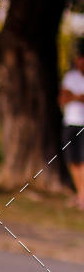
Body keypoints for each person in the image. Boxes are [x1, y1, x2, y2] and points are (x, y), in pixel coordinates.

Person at [59, 42, 84, 209]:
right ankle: (81, 194)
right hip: (70, 124)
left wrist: (73, 96)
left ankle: (82, 196)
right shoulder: (70, 77)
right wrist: (78, 97)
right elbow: (62, 99)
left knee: (83, 161)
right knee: (72, 161)